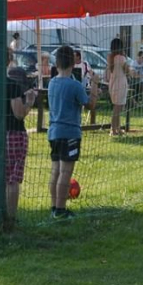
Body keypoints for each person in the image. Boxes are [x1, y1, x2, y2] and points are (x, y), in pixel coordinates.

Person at [0, 51, 37, 224]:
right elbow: (19, 114)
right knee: (12, 180)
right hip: (13, 134)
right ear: (9, 61)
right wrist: (29, 101)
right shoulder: (11, 85)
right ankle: (11, 217)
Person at [48, 45, 100, 219]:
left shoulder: (52, 83)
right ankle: (61, 210)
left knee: (55, 170)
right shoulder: (75, 85)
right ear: (73, 63)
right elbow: (90, 105)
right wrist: (95, 85)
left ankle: (54, 206)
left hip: (54, 133)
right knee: (65, 172)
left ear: (56, 63)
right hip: (70, 133)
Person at [105, 38, 129, 136]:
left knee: (117, 107)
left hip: (113, 83)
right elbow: (127, 70)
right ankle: (113, 129)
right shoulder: (121, 58)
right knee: (118, 108)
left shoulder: (110, 57)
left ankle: (117, 128)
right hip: (121, 83)